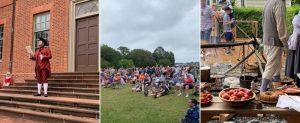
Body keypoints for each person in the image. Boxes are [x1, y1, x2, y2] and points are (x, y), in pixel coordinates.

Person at [260, 0, 288, 92]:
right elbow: (281, 26)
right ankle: (262, 91)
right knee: (271, 66)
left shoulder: (268, 2)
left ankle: (275, 80)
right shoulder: (279, 3)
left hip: (267, 39)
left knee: (275, 62)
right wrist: (285, 42)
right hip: (274, 41)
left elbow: (263, 23)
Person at [285, 11, 300, 87]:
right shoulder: (297, 18)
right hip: (297, 42)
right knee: (296, 62)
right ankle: (295, 80)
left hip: (297, 41)